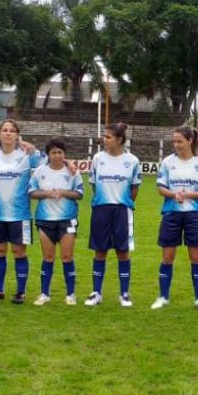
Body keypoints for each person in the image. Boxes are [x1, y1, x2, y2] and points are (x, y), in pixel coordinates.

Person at [151, 127, 198, 311]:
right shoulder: (168, 162)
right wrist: (173, 194)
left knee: (195, 258)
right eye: (174, 141)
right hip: (171, 214)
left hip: (194, 215)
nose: (176, 145)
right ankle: (163, 297)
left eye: (180, 141)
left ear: (190, 140)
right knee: (167, 257)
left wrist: (189, 195)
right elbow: (161, 188)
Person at [0, 120, 43, 304]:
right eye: (5, 130)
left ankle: (20, 292)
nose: (8, 133)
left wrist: (69, 165)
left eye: (12, 131)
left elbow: (53, 159)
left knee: (19, 252)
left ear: (17, 134)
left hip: (20, 213)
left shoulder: (28, 154)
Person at [84, 123, 142, 307]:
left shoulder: (132, 161)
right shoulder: (98, 158)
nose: (104, 140)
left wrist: (123, 201)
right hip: (101, 208)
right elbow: (93, 184)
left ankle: (124, 293)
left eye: (108, 137)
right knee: (100, 251)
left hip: (122, 210)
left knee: (122, 252)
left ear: (119, 140)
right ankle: (96, 293)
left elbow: (135, 188)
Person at [29, 138, 84, 305]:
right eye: (54, 152)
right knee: (48, 257)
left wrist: (63, 192)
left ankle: (71, 294)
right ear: (48, 154)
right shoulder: (39, 171)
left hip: (67, 220)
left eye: (60, 152)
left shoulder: (72, 172)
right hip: (45, 220)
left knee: (67, 257)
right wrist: (46, 194)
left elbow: (80, 193)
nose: (57, 155)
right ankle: (45, 294)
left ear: (64, 154)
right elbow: (31, 192)